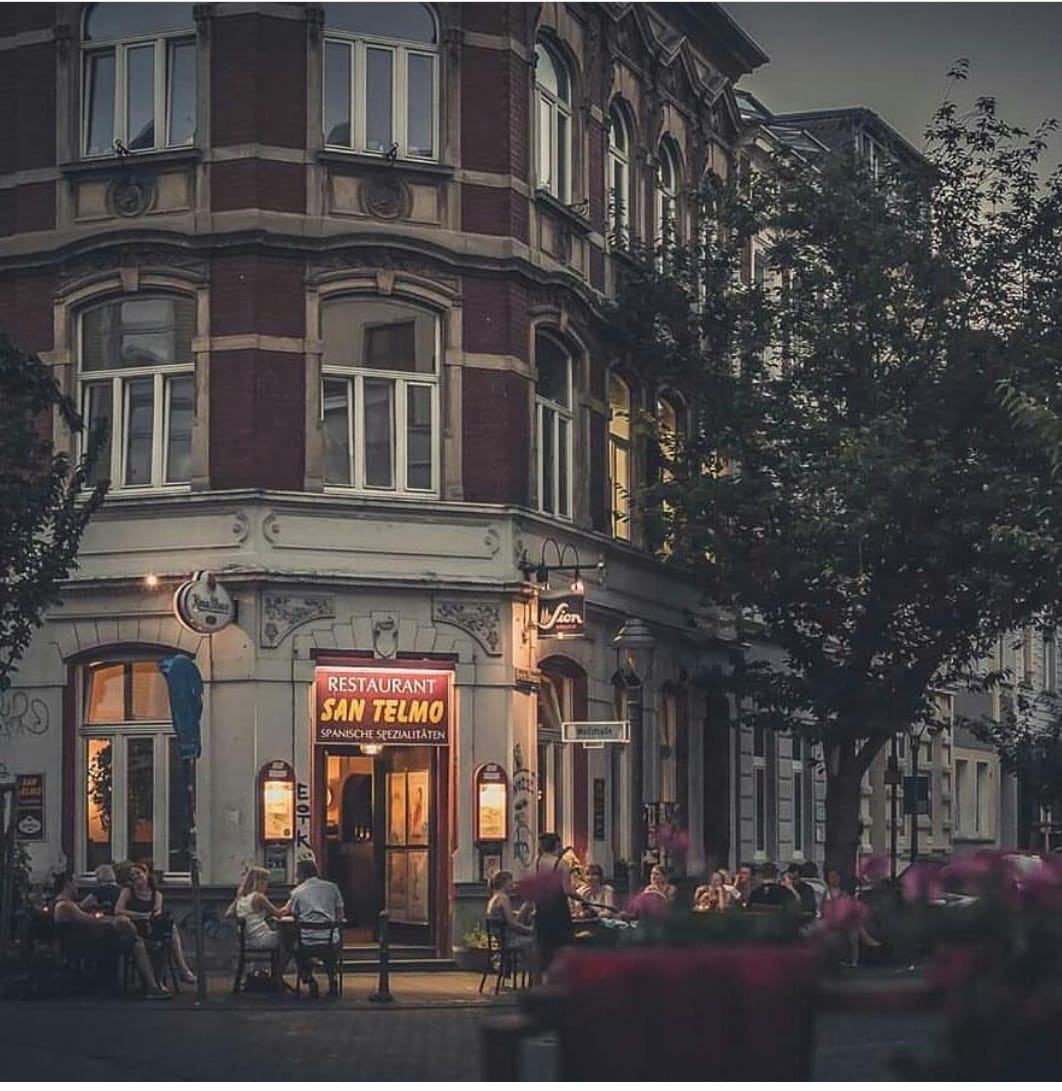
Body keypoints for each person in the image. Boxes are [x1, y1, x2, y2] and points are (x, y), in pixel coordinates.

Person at [53, 871, 170, 999]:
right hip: (91, 943)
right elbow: (91, 922)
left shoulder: (67, 904)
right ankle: (152, 986)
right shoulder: (65, 906)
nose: (77, 886)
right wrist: (110, 920)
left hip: (92, 940)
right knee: (125, 925)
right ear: (68, 884)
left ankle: (152, 987)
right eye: (75, 882)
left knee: (137, 944)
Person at [115, 860, 197, 984]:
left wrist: (152, 917)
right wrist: (142, 915)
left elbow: (156, 914)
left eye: (138, 873)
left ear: (147, 874)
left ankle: (182, 969)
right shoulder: (128, 891)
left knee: (171, 929)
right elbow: (119, 910)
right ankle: (182, 971)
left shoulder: (156, 895)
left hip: (150, 929)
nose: (135, 877)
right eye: (132, 875)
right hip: (133, 929)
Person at [281, 858, 344, 998]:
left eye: (297, 874)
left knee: (293, 947)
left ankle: (308, 978)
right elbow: (340, 915)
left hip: (307, 942)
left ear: (302, 875)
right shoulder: (332, 887)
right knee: (330, 951)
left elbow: (293, 913)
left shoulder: (297, 892)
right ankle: (332, 980)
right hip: (330, 941)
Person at [531, 832, 574, 982]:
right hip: (558, 909)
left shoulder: (538, 862)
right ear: (557, 845)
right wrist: (580, 898)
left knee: (544, 947)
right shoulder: (562, 864)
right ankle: (560, 980)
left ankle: (541, 981)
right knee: (562, 946)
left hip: (542, 908)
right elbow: (567, 890)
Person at [226, 866, 282, 950]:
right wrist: (289, 905)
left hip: (248, 940)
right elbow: (278, 914)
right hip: (262, 939)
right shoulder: (259, 897)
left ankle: (280, 961)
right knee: (289, 936)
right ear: (259, 881)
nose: (267, 884)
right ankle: (283, 963)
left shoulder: (241, 898)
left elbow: (228, 914)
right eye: (266, 880)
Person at [486, 871, 535, 951]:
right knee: (534, 941)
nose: (513, 887)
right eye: (510, 885)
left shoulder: (494, 898)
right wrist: (529, 930)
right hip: (507, 939)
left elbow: (505, 917)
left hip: (500, 938)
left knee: (526, 906)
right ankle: (529, 963)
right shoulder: (503, 898)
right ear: (503, 884)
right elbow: (512, 924)